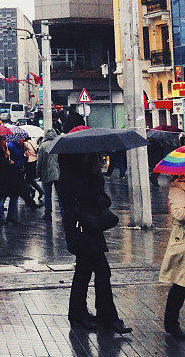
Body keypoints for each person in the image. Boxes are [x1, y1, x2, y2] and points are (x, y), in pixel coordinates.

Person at [58, 152, 131, 334]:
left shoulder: (85, 170)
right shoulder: (71, 173)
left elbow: (101, 199)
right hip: (81, 227)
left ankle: (79, 313)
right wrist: (95, 176)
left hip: (89, 227)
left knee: (84, 272)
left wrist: (96, 177)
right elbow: (89, 197)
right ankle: (107, 316)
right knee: (101, 271)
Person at [161, 173, 185, 339]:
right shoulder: (177, 188)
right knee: (181, 285)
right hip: (183, 241)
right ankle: (171, 323)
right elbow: (179, 214)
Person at [0, 136, 20, 225]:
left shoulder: (6, 149)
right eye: (3, 140)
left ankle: (10, 216)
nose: (5, 141)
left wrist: (10, 161)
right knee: (1, 197)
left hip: (10, 177)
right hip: (2, 177)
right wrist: (5, 157)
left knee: (14, 196)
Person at [36, 129, 60, 219]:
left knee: (47, 194)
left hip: (46, 172)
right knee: (60, 194)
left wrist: (38, 173)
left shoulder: (43, 146)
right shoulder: (58, 143)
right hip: (58, 172)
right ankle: (63, 212)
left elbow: (40, 161)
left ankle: (48, 213)